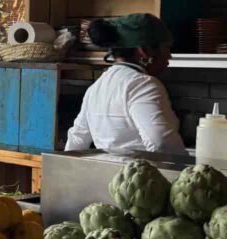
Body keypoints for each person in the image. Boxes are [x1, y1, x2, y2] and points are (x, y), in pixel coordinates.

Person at [65, 14, 186, 155]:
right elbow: (163, 144)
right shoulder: (143, 85)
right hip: (141, 175)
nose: (169, 56)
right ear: (145, 51)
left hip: (105, 174)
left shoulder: (97, 86)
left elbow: (77, 140)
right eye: (167, 48)